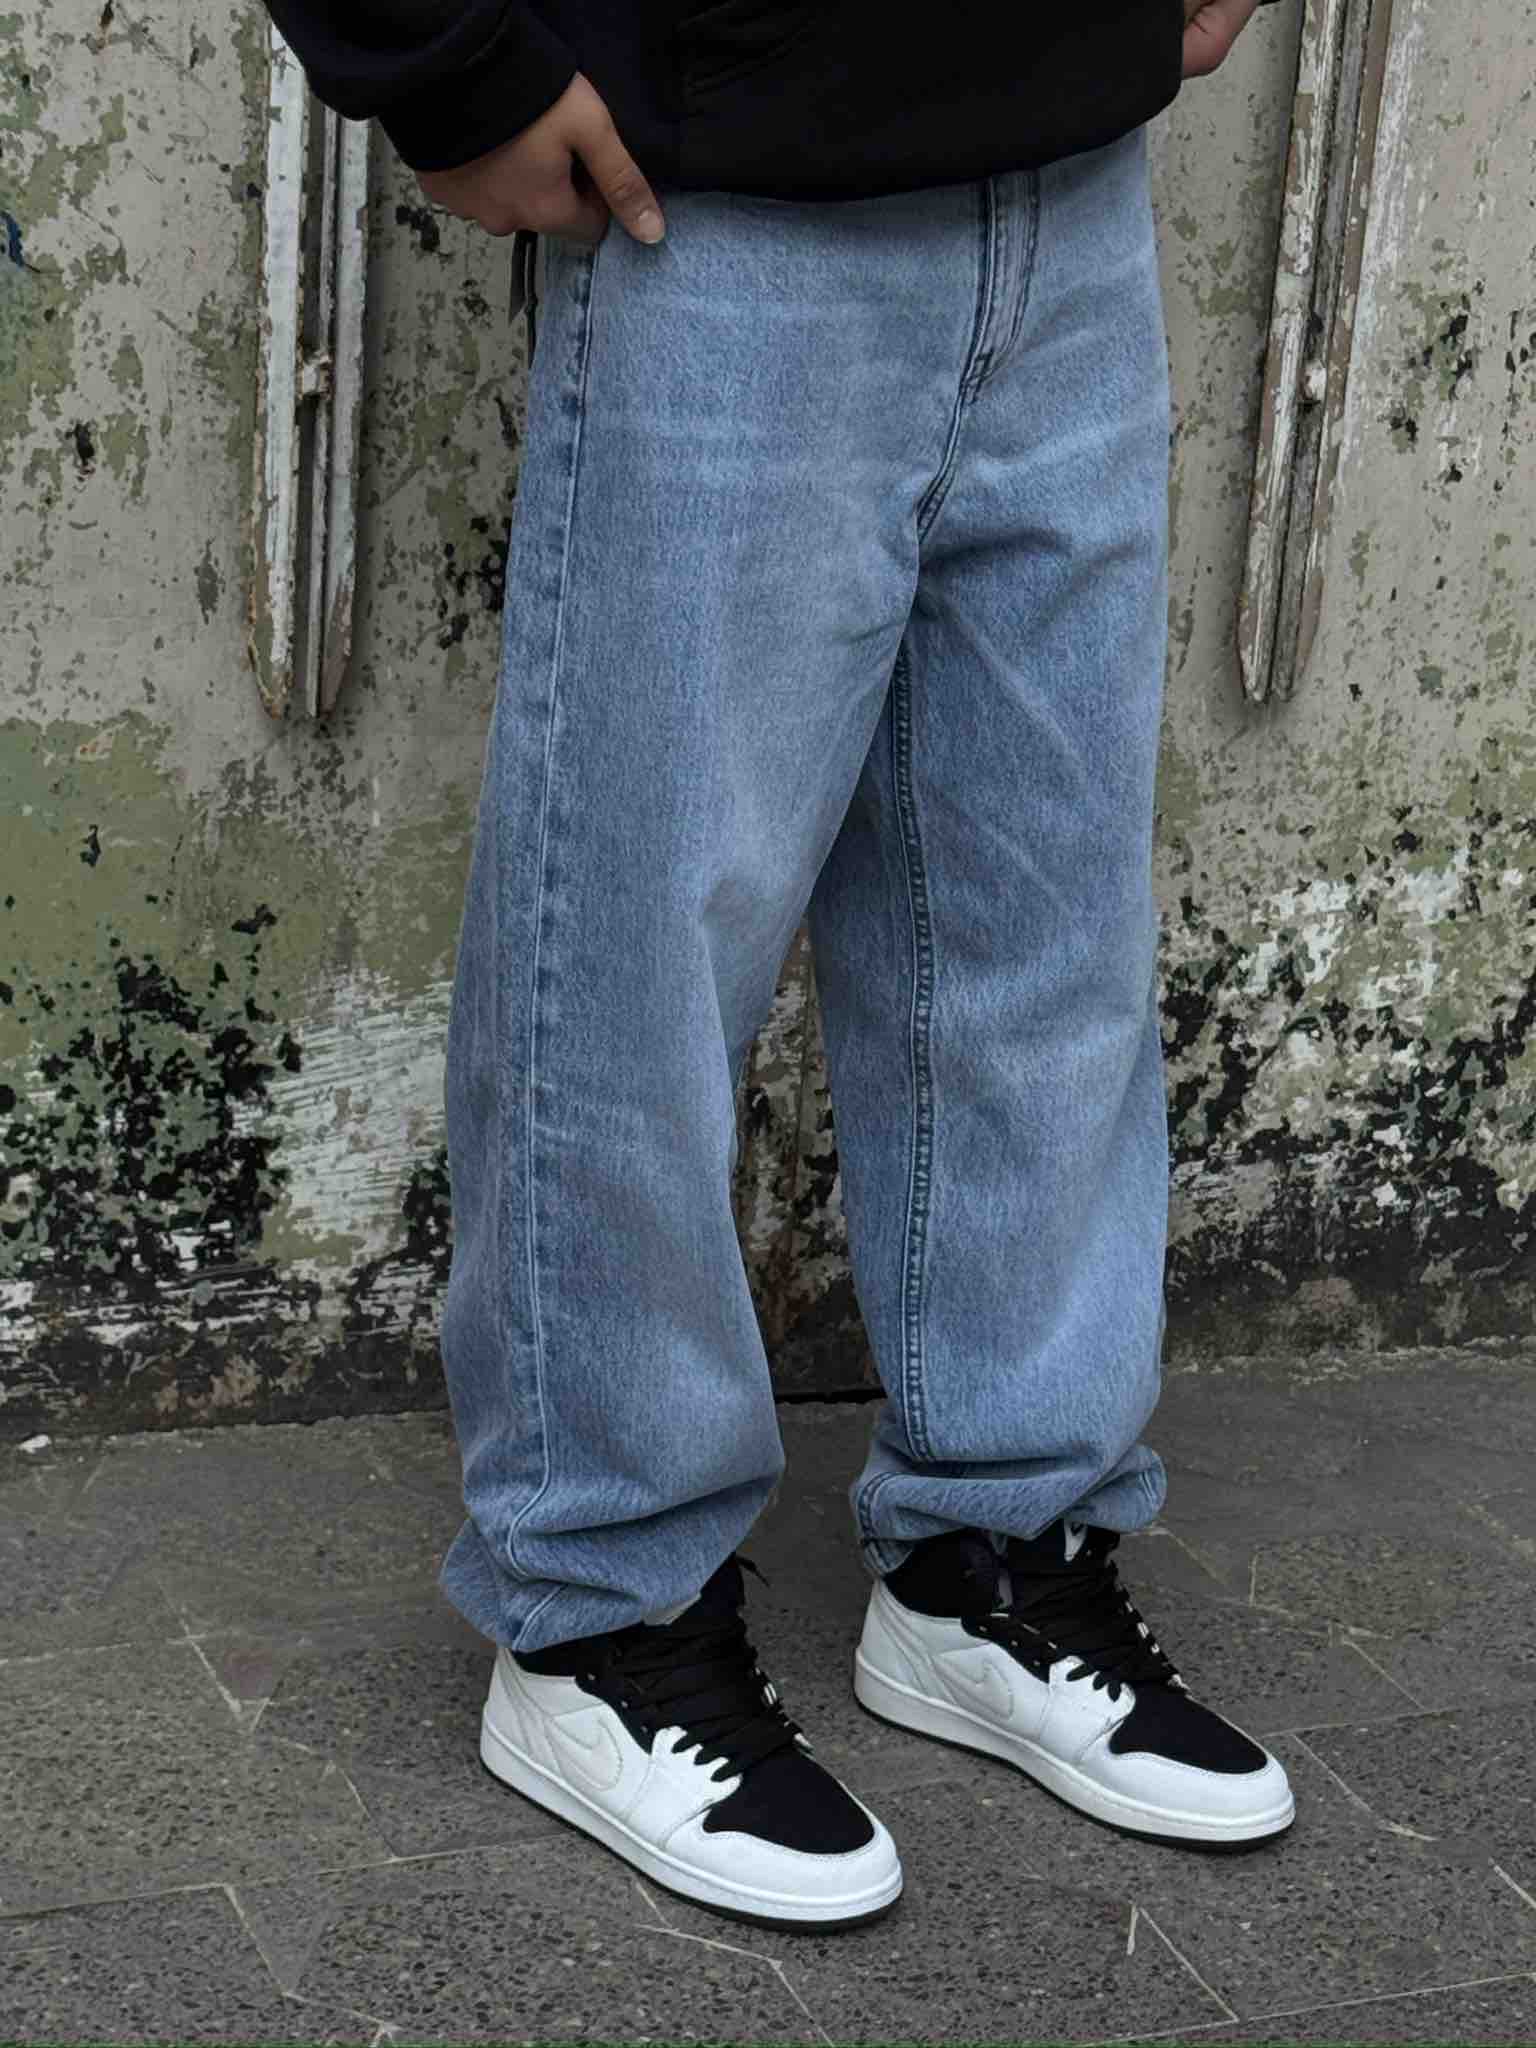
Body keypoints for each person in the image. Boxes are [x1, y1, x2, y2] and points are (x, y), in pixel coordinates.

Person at [265, 0, 1294, 1929]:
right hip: (717, 195)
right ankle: (601, 1617)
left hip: (1070, 186)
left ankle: (995, 1558)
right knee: (636, 952)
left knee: (1041, 931)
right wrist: (442, 57)